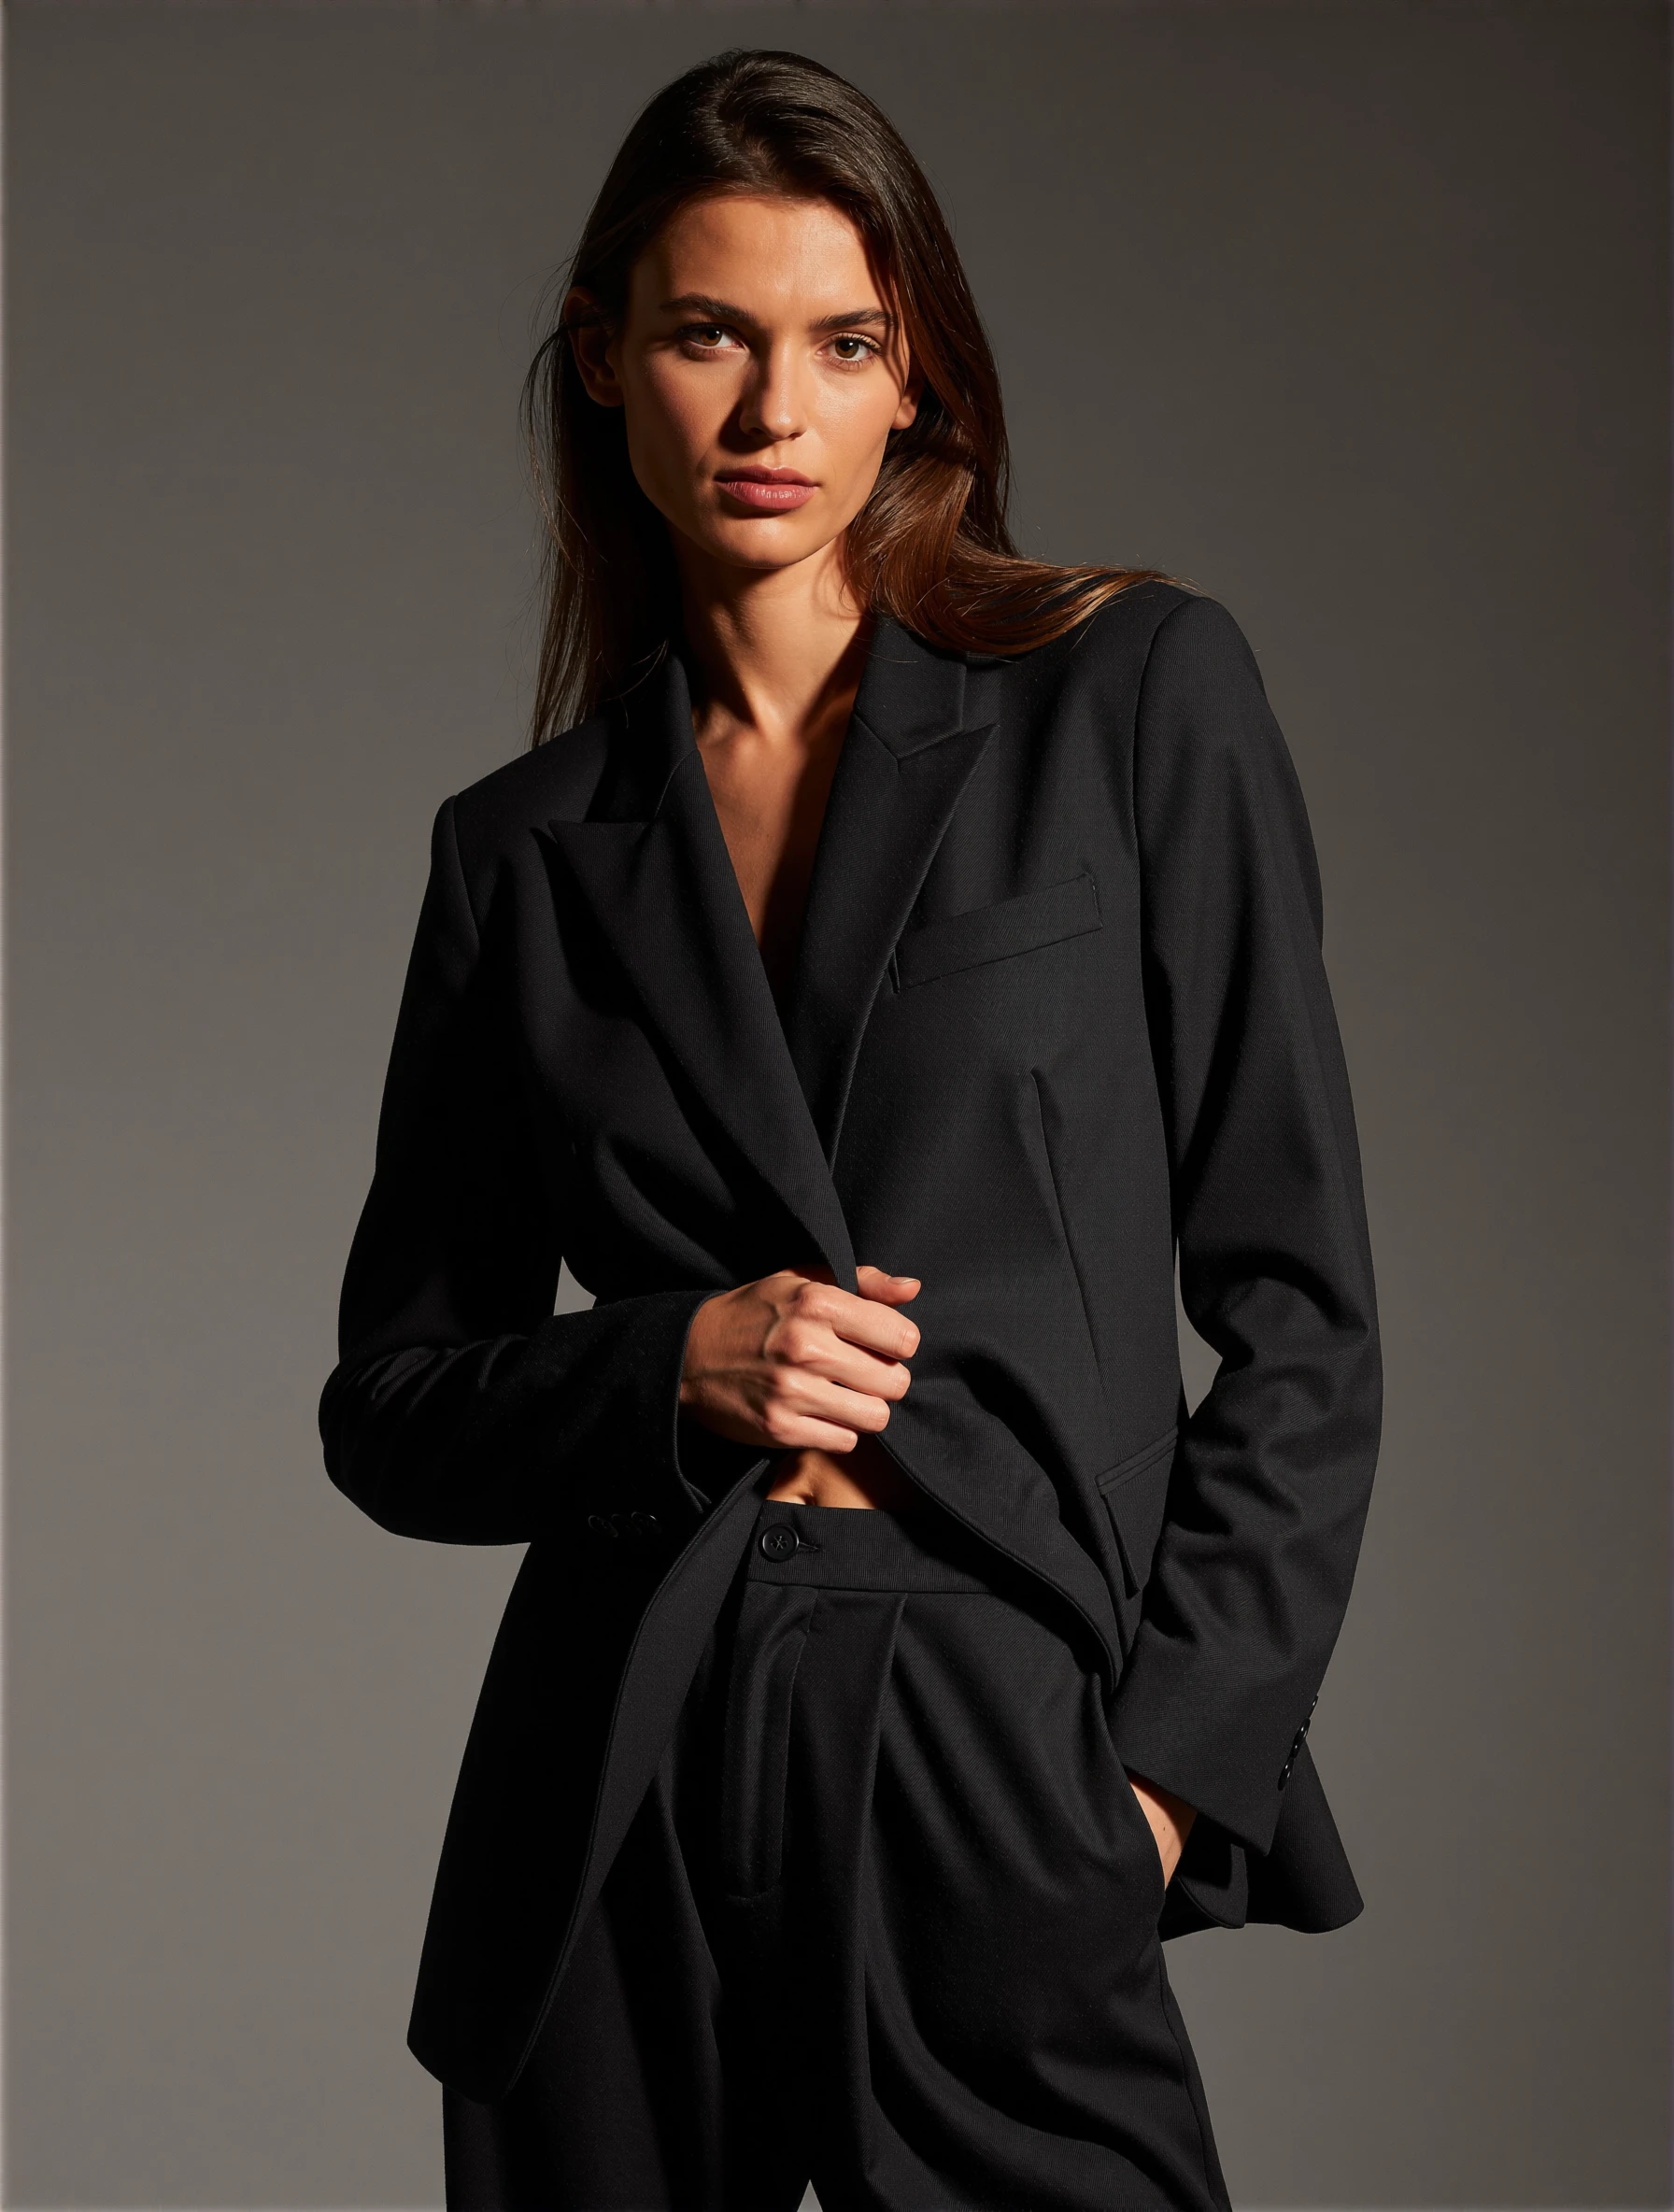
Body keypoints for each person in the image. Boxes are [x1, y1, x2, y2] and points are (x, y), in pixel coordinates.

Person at [319, 46, 1381, 2212]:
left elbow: (1301, 1308)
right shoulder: (519, 855)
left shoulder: (1129, 697)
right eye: (707, 334)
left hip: (989, 1719)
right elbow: (393, 1403)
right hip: (613, 1759)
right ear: (605, 362)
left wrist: (1160, 1782)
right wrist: (664, 1363)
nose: (766, 410)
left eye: (839, 343)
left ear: (920, 384)